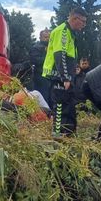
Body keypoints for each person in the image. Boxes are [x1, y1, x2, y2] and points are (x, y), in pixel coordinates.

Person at [42, 8, 87, 137]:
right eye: (83, 22)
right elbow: (60, 55)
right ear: (74, 19)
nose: (84, 25)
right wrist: (65, 78)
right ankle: (57, 136)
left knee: (70, 105)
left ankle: (69, 133)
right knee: (60, 106)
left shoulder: (70, 33)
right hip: (58, 76)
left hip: (65, 76)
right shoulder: (62, 31)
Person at [30, 28, 51, 103]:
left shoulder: (52, 47)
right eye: (45, 37)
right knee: (42, 98)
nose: (47, 39)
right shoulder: (36, 47)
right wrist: (47, 54)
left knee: (50, 98)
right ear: (40, 37)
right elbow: (34, 60)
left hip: (50, 77)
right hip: (40, 76)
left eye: (49, 37)